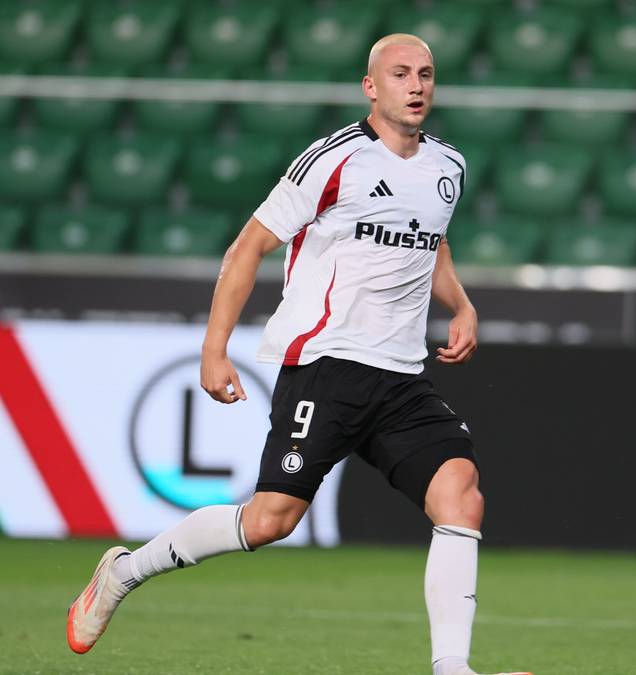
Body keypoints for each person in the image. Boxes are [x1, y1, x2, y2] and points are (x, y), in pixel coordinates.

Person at [66, 34, 530, 675]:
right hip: (326, 364)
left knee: (462, 495)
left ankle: (452, 668)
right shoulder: (333, 160)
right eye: (400, 74)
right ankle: (124, 571)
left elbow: (432, 244)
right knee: (270, 520)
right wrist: (214, 348)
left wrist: (463, 304)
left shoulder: (447, 168)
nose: (416, 85)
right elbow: (248, 247)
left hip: (401, 376)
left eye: (425, 74)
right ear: (372, 87)